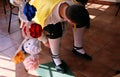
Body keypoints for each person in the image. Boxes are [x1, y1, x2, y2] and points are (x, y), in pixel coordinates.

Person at [23, 0, 92, 73]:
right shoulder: (45, 17)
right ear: (70, 21)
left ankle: (78, 47)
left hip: (55, 4)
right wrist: (45, 41)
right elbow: (33, 27)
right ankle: (55, 57)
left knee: (79, 19)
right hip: (39, 7)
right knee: (55, 30)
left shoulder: (74, 3)